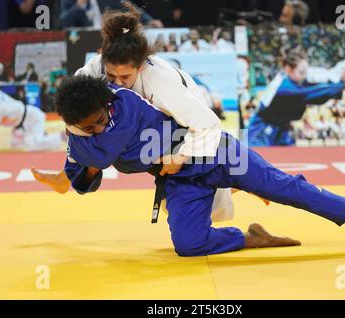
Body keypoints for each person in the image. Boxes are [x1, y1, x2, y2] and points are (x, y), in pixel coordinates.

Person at [56, 75, 345, 256]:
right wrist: (90, 165)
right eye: (90, 127)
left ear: (106, 102)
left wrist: (100, 152)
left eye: (101, 119)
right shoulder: (81, 145)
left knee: (285, 188)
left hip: (217, 152)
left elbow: (99, 76)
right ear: (75, 126)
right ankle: (251, 239)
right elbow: (82, 181)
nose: (100, 127)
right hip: (182, 182)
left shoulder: (127, 99)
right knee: (188, 246)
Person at [32, 7, 264, 222]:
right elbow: (72, 110)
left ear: (140, 66)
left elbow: (203, 123)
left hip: (178, 124)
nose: (117, 83)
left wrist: (182, 156)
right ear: (103, 57)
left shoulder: (160, 80)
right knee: (87, 124)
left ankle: (241, 181)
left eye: (125, 78)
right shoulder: (93, 70)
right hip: (141, 126)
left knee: (189, 203)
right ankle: (65, 179)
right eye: (112, 77)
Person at [247, 48, 345, 146]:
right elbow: (312, 95)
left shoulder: (293, 79)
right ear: (288, 69)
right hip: (260, 132)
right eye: (301, 72)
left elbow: (318, 79)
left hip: (281, 129)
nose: (304, 75)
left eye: (305, 72)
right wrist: (341, 85)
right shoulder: (284, 87)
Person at [0, 81, 63, 151]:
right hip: (20, 124)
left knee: (34, 145)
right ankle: (40, 135)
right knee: (16, 147)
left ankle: (62, 136)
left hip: (32, 118)